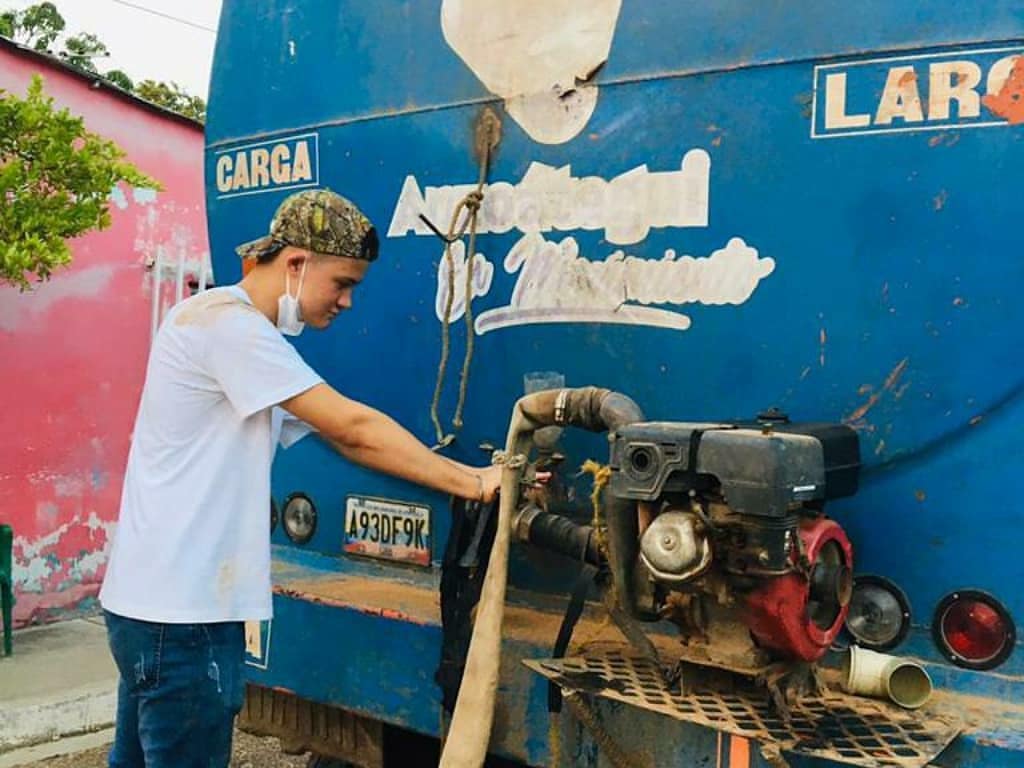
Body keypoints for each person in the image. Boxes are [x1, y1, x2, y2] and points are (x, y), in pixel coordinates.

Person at [98, 188, 503, 768]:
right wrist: (476, 484)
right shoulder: (230, 329)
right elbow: (355, 427)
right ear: (295, 263)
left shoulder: (219, 327)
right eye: (343, 283)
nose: (346, 302)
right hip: (183, 618)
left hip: (154, 608)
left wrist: (463, 472)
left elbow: (344, 440)